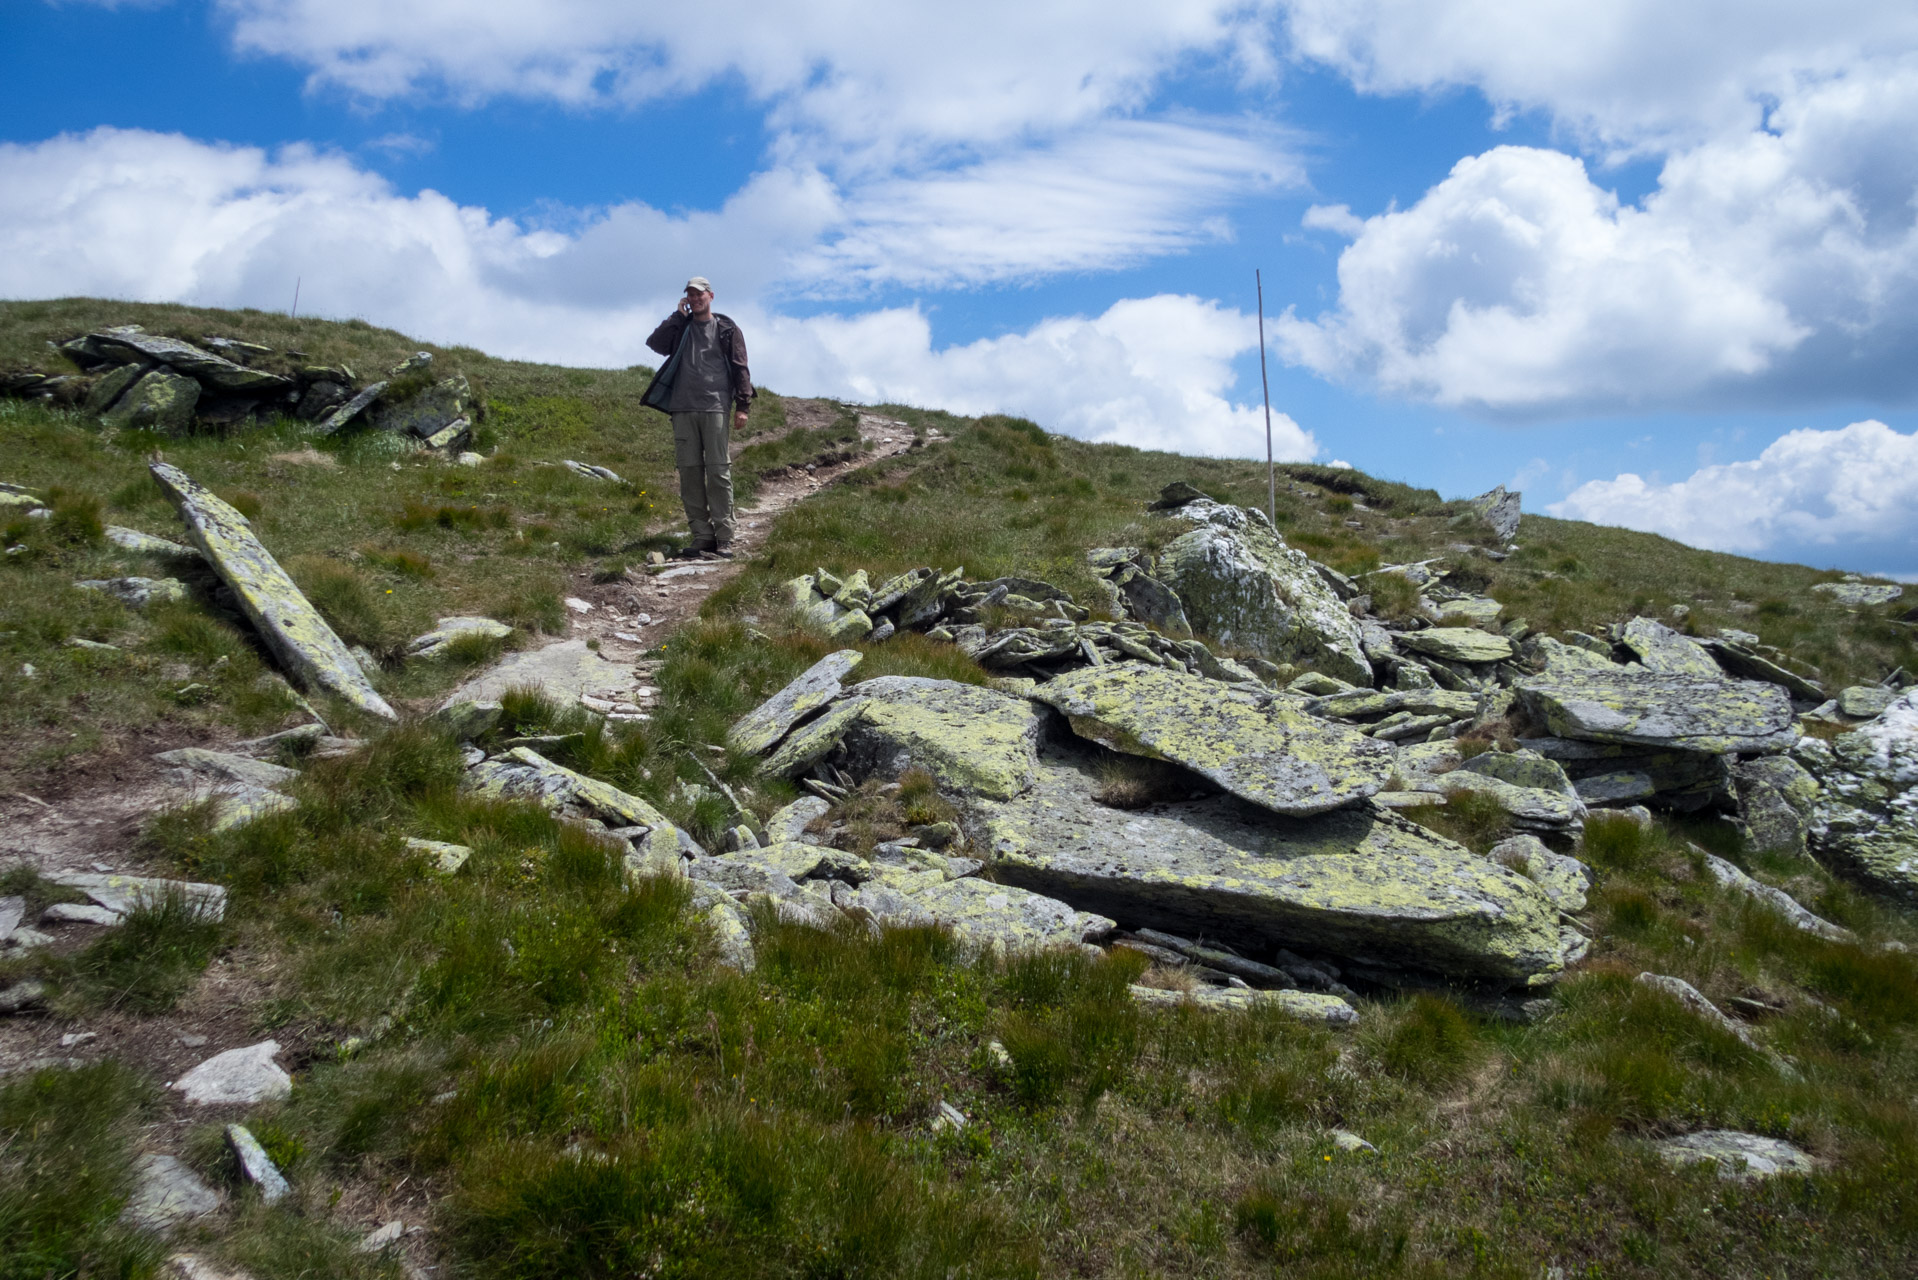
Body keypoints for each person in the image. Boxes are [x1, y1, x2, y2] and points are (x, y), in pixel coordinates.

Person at [641, 276, 754, 559]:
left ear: (711, 296)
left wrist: (743, 406)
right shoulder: (681, 327)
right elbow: (655, 343)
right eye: (690, 295)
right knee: (690, 473)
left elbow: (741, 366)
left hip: (715, 407)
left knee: (718, 472)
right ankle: (702, 536)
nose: (695, 299)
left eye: (699, 294)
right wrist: (675, 317)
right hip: (682, 408)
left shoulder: (727, 328)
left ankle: (725, 537)